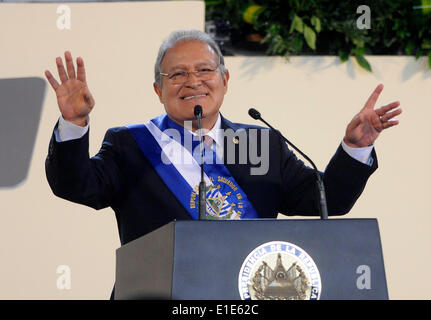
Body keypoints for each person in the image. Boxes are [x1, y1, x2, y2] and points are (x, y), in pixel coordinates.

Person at [45, 29, 401, 245]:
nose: (193, 81)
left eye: (204, 70)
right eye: (178, 74)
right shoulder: (131, 144)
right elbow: (76, 186)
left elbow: (329, 200)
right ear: (158, 89)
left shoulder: (264, 144)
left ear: (225, 81)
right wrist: (73, 123)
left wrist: (355, 148)